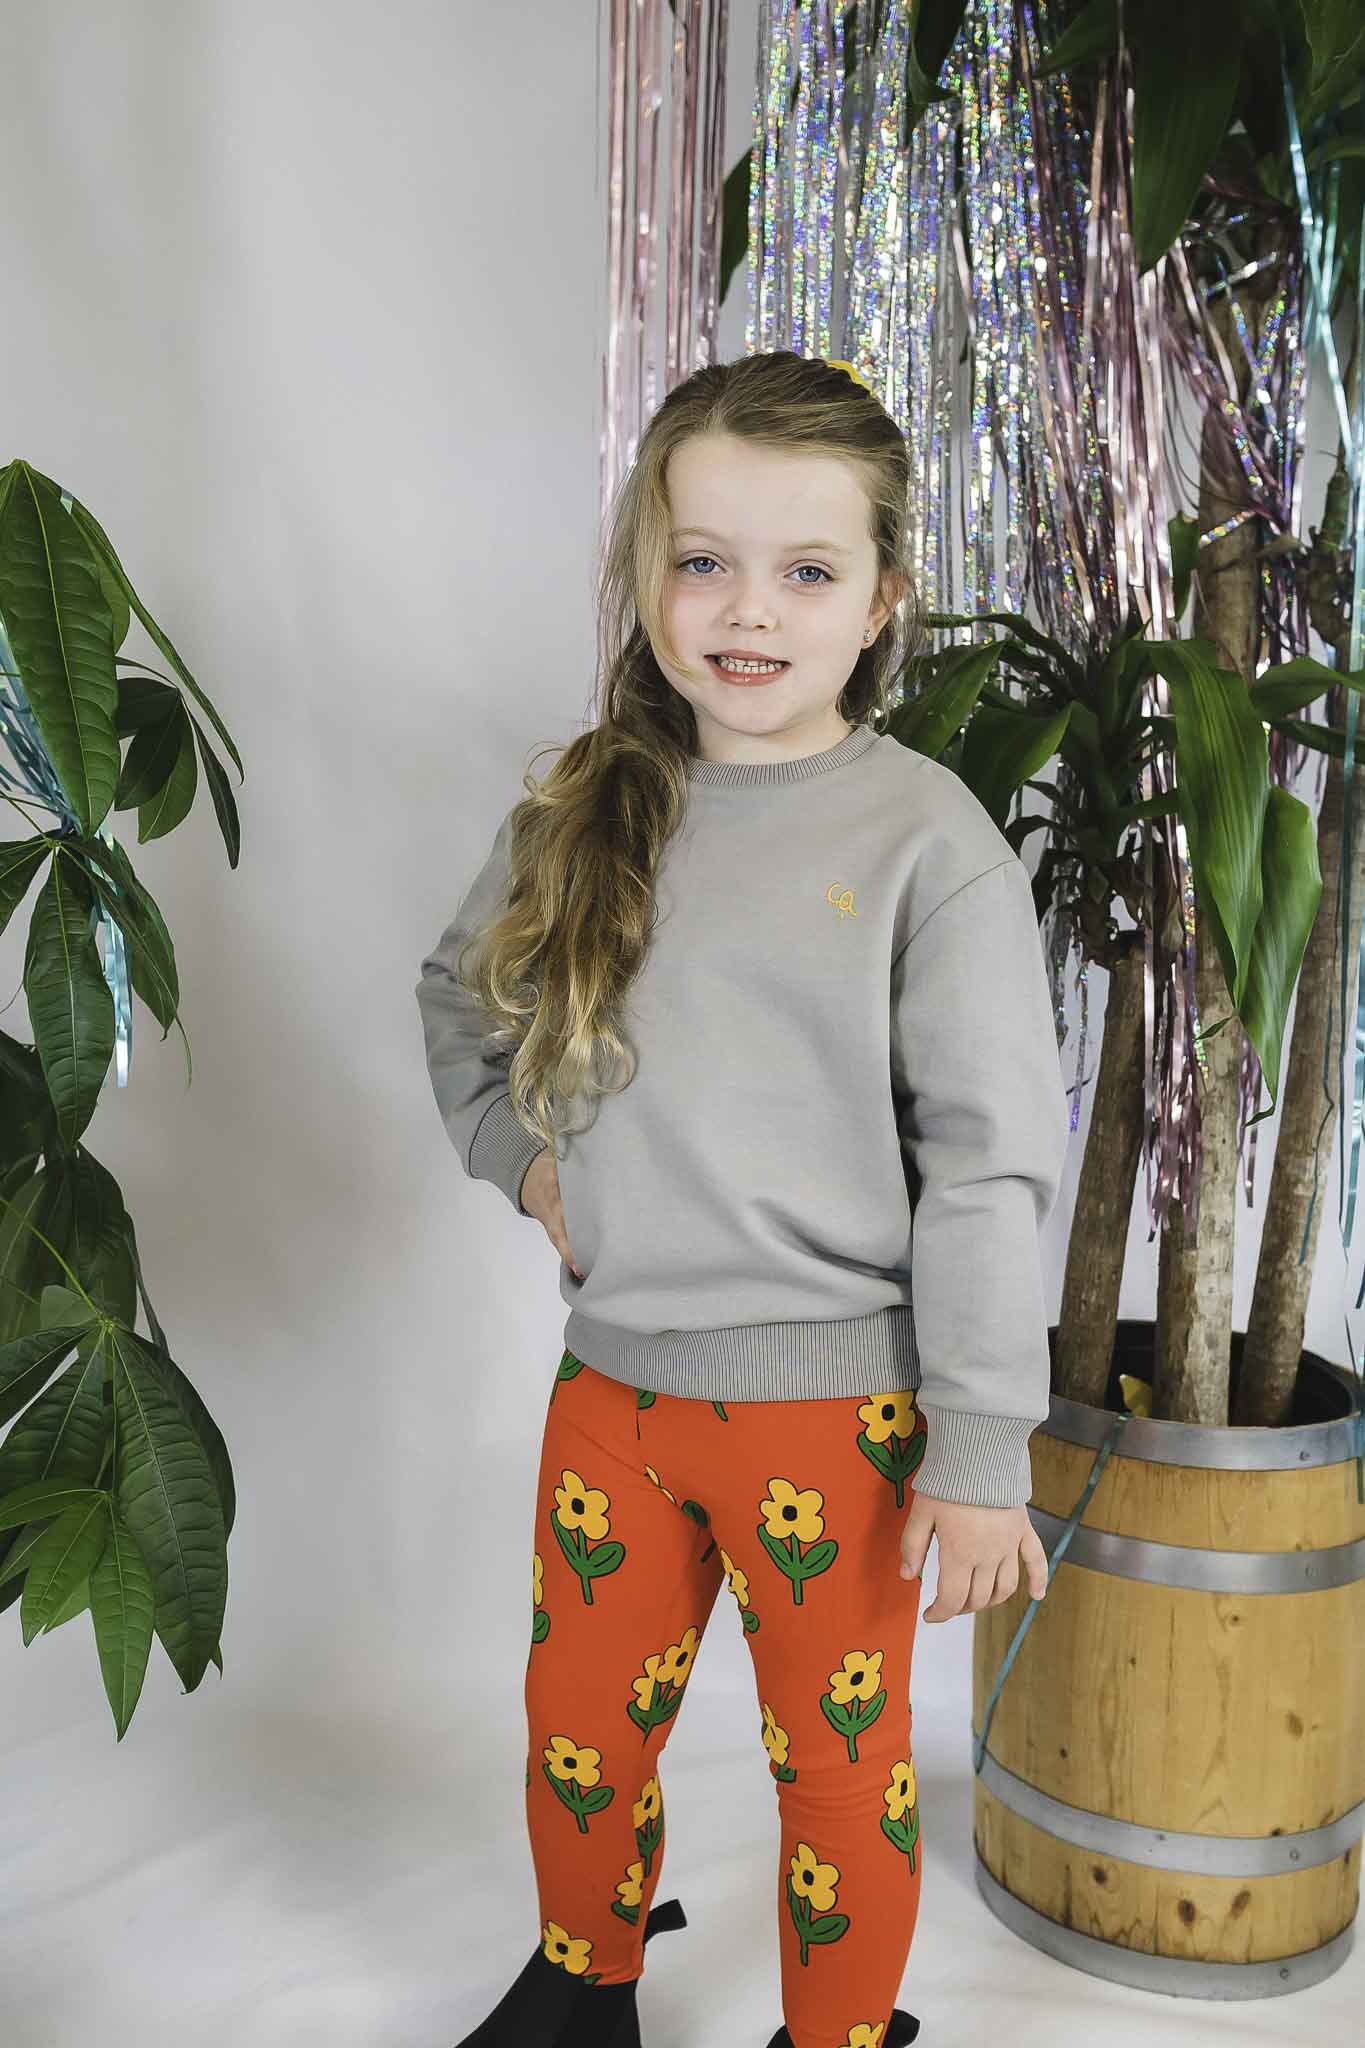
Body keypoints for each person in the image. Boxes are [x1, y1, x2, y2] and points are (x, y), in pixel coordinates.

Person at [415, 351, 1068, 2048]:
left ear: (882, 600)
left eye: (806, 570)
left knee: (836, 1775)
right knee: (578, 1731)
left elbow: (988, 1162)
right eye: (702, 560)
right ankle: (583, 1992)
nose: (746, 611)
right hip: (613, 1396)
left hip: (839, 1425)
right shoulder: (586, 807)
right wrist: (525, 1164)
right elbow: (456, 1001)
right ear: (647, 573)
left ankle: (833, 2037)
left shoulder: (928, 842)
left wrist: (981, 1447)